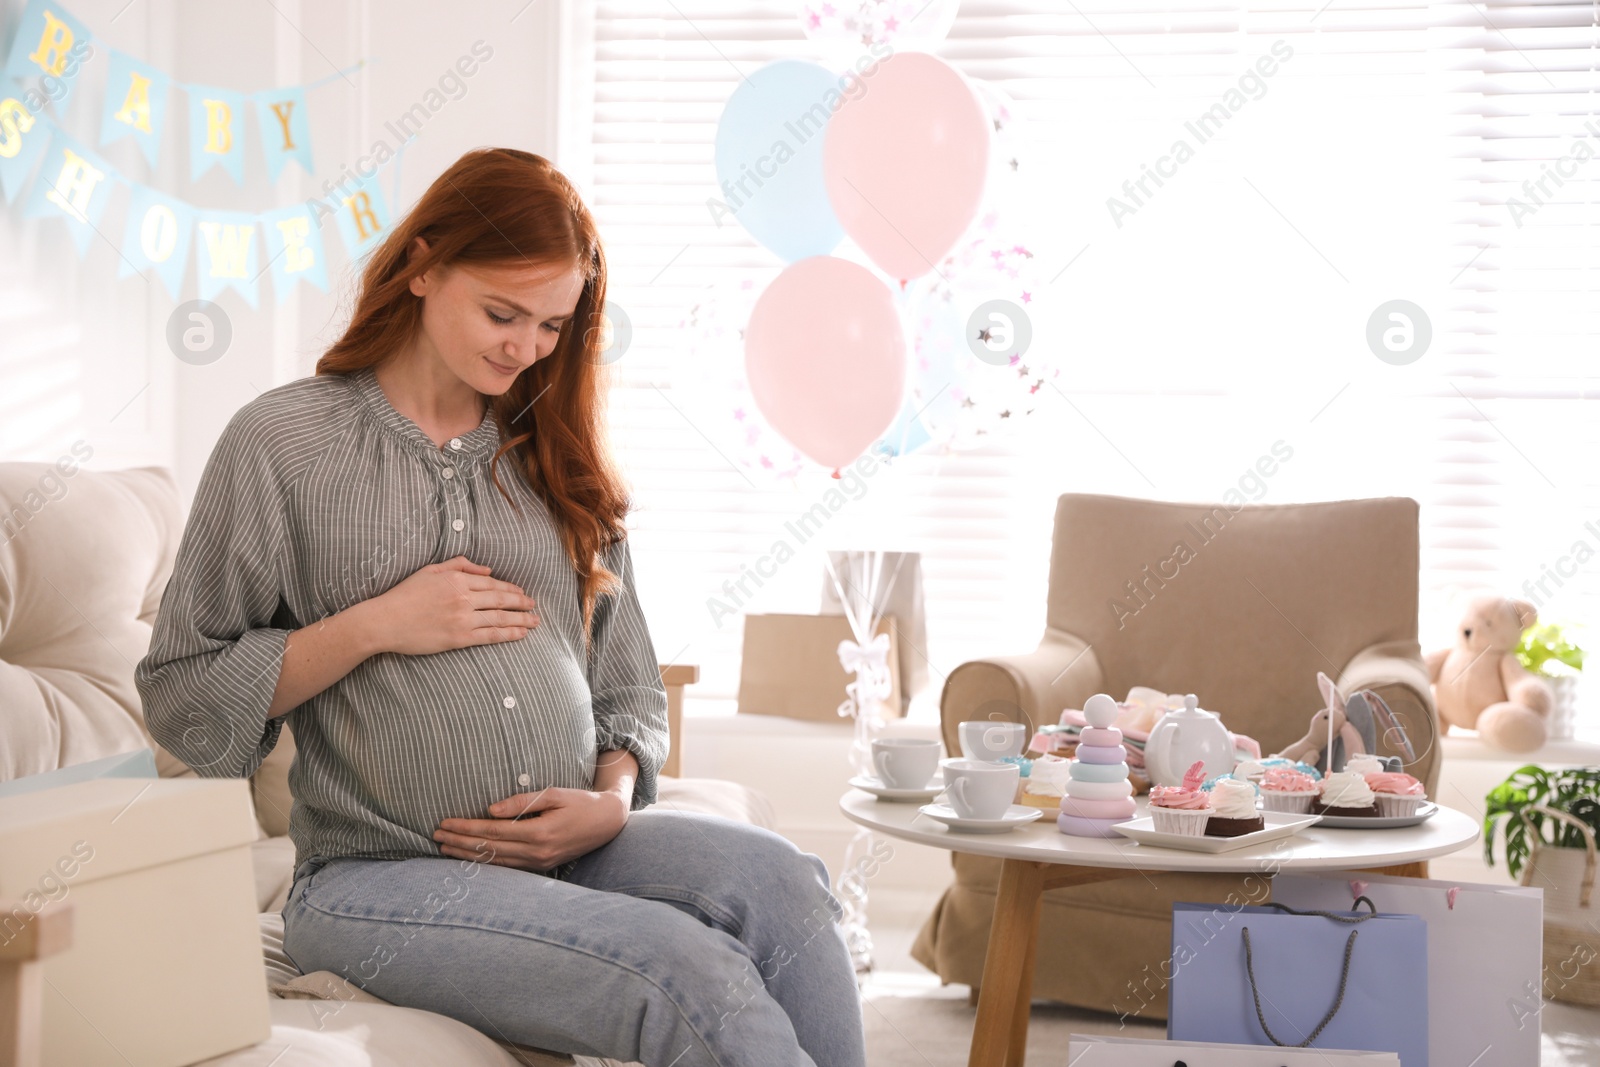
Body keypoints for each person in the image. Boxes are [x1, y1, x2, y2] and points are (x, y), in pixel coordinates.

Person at [136, 147, 867, 1067]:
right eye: (502, 313)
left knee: (786, 886)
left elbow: (629, 687)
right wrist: (375, 626)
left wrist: (610, 800)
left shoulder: (552, 452)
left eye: (553, 325)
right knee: (683, 969)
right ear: (423, 266)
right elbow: (183, 697)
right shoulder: (284, 443)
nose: (525, 349)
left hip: (576, 850)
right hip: (374, 882)